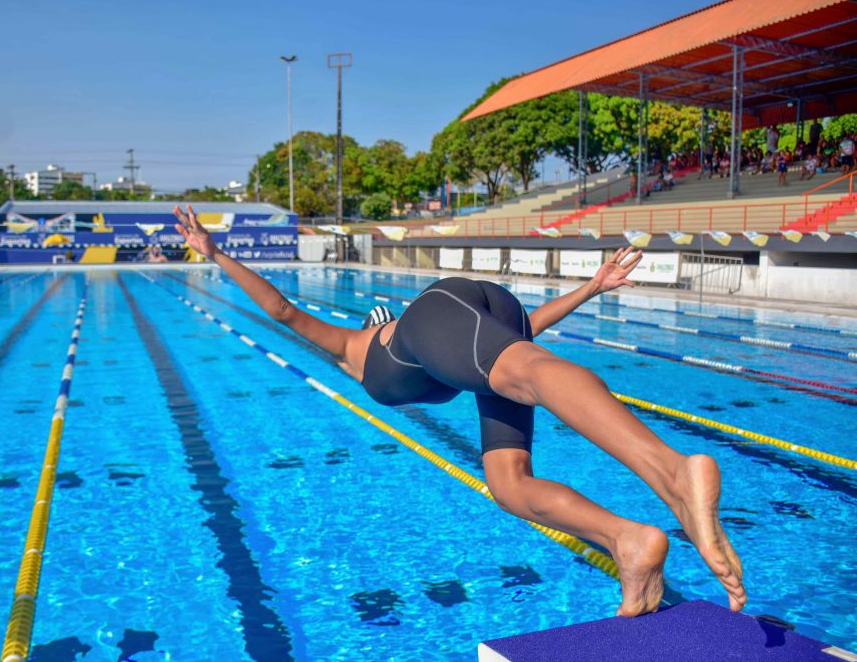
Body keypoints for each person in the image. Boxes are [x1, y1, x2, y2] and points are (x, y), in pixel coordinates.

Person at [173, 205, 746, 618]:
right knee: (509, 484)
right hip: (494, 314)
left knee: (526, 374)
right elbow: (527, 329)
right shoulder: (427, 356)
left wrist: (216, 253)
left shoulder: (352, 347)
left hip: (440, 309)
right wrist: (592, 287)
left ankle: (672, 471)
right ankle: (630, 540)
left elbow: (280, 308)